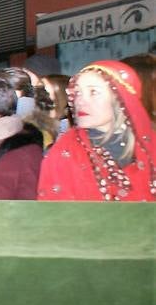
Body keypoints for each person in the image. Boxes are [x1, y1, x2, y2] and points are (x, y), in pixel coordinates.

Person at [38, 61, 155, 201]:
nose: (80, 101)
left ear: (120, 97)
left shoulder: (149, 147)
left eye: (93, 92)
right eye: (78, 93)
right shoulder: (65, 151)